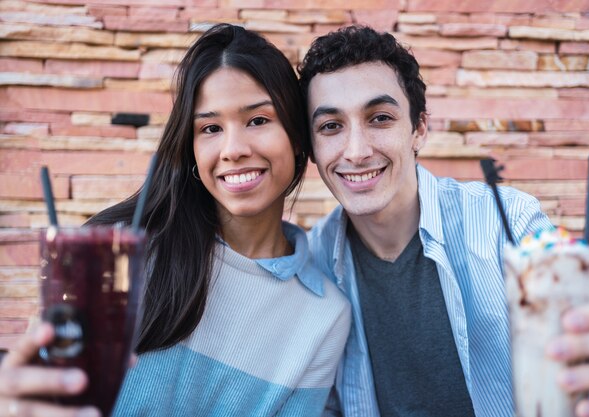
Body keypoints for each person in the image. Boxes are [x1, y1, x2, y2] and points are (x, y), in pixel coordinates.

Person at [0, 23, 350, 417]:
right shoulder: (114, 255)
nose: (233, 149)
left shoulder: (324, 315)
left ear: (298, 138)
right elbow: (40, 392)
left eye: (257, 120)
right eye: (211, 128)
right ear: (192, 151)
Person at [297, 25, 589, 417]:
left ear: (418, 129)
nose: (356, 150)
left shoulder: (510, 225)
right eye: (331, 126)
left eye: (380, 118)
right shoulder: (314, 260)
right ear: (313, 148)